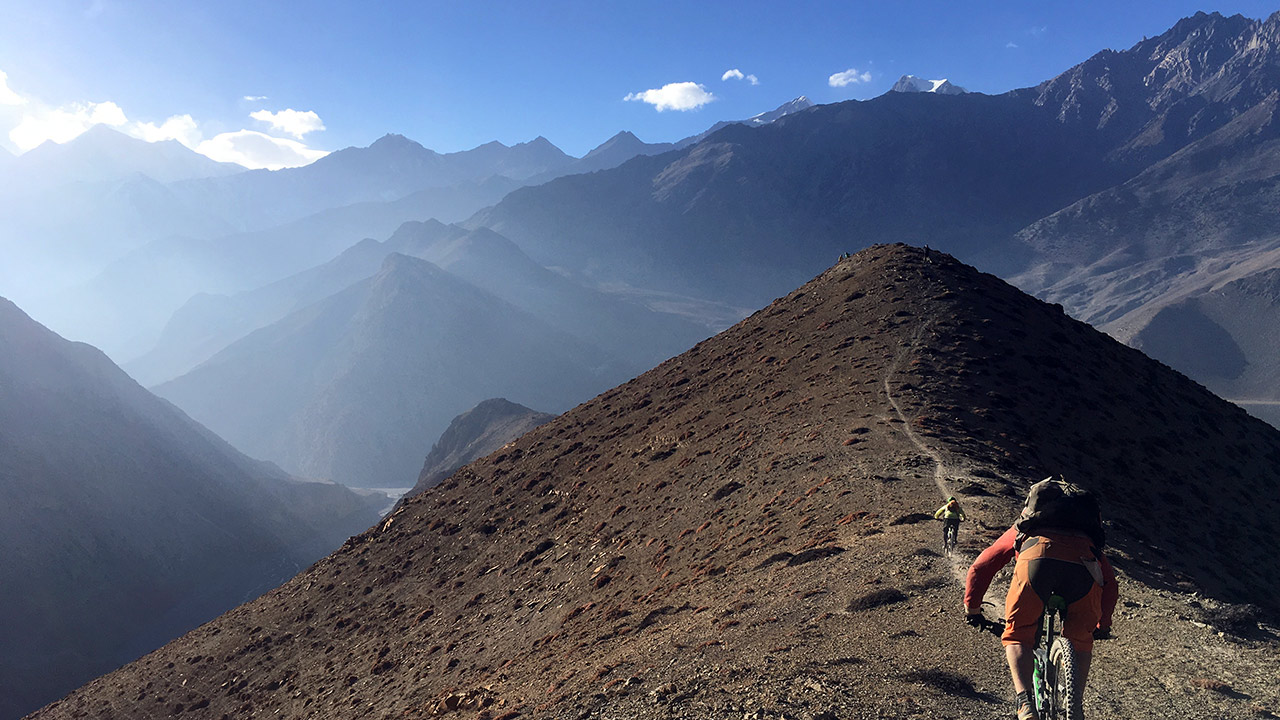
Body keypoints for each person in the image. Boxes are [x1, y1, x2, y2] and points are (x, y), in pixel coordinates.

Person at [964, 477, 1118, 720]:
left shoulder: (1025, 527)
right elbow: (1110, 583)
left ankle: (1025, 703)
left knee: (1018, 634)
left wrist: (973, 609)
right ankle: (1074, 706)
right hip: (1084, 568)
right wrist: (1103, 624)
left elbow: (982, 566)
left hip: (1036, 562)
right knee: (1080, 642)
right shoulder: (1087, 537)